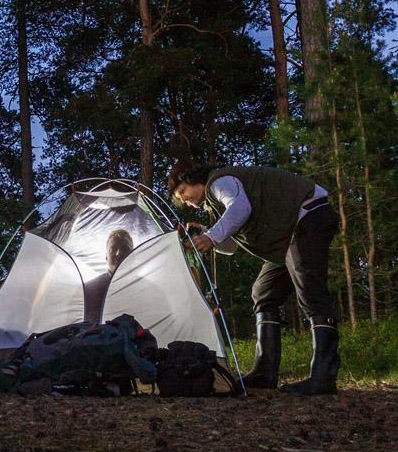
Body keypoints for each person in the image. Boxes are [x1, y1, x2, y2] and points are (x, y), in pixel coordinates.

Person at [166, 162, 340, 395]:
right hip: (287, 235)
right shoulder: (215, 203)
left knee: (309, 287)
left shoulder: (219, 182)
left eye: (183, 192)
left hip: (309, 213)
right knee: (264, 292)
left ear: (192, 179)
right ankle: (264, 373)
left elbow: (240, 208)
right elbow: (230, 245)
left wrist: (211, 236)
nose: (184, 199)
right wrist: (207, 233)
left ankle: (323, 377)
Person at [83, 229, 133, 324]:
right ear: (106, 256)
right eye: (113, 249)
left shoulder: (147, 288)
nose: (118, 254)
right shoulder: (87, 290)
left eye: (125, 249)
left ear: (133, 255)